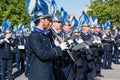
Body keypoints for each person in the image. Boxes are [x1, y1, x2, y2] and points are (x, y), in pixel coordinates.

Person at [27, 13, 68, 80]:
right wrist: (59, 48)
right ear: (42, 20)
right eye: (48, 20)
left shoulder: (45, 35)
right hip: (39, 74)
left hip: (48, 72)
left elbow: (50, 50)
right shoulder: (34, 36)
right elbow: (43, 54)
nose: (50, 22)